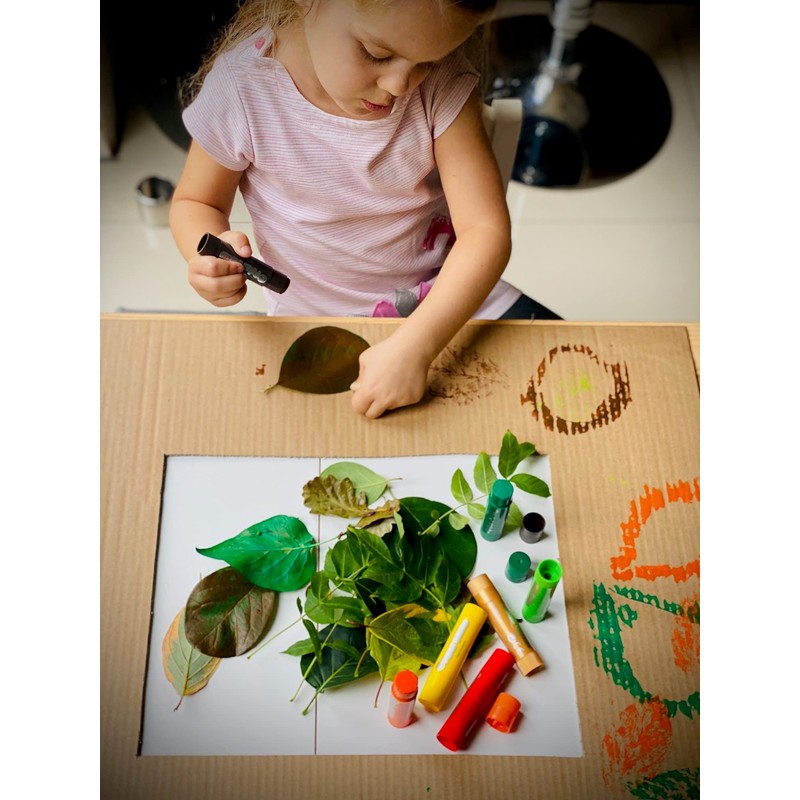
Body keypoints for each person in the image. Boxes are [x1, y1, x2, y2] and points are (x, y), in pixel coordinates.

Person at [170, 0, 560, 419]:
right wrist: (208, 259)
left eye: (426, 62)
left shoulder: (442, 83)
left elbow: (485, 231)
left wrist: (418, 345)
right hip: (310, 319)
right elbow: (196, 203)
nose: (399, 85)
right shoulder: (242, 90)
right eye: (377, 54)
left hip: (445, 303)